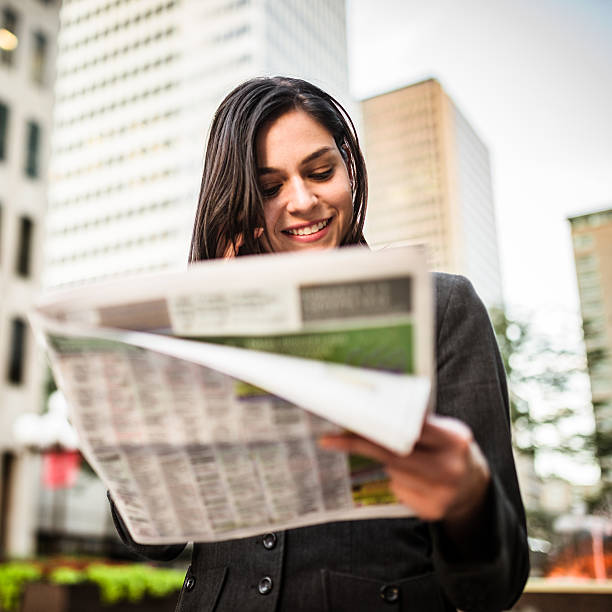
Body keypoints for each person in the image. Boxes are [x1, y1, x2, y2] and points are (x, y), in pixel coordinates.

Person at [109, 76, 529, 611]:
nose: (302, 201)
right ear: (238, 202)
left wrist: (469, 497)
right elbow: (152, 541)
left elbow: (496, 586)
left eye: (320, 172)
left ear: (349, 168)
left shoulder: (440, 308)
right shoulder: (197, 331)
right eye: (269, 188)